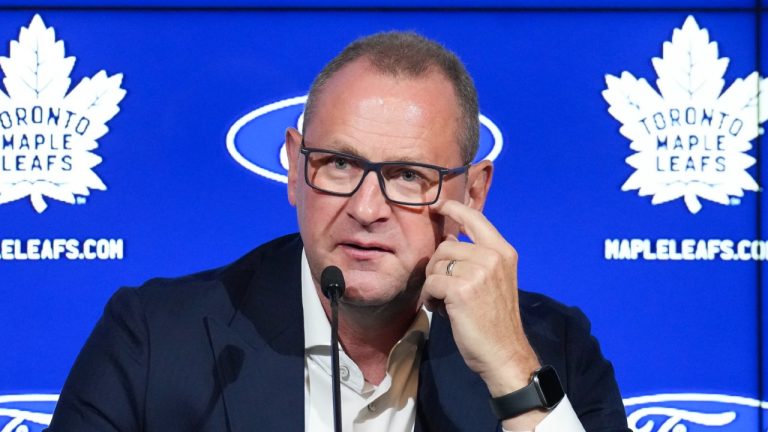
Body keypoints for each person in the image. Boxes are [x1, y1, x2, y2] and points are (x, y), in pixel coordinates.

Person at [47, 31, 629, 431]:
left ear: (473, 192)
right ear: (297, 168)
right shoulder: (153, 340)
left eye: (407, 175)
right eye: (340, 165)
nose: (366, 208)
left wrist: (510, 371)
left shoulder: (553, 347)